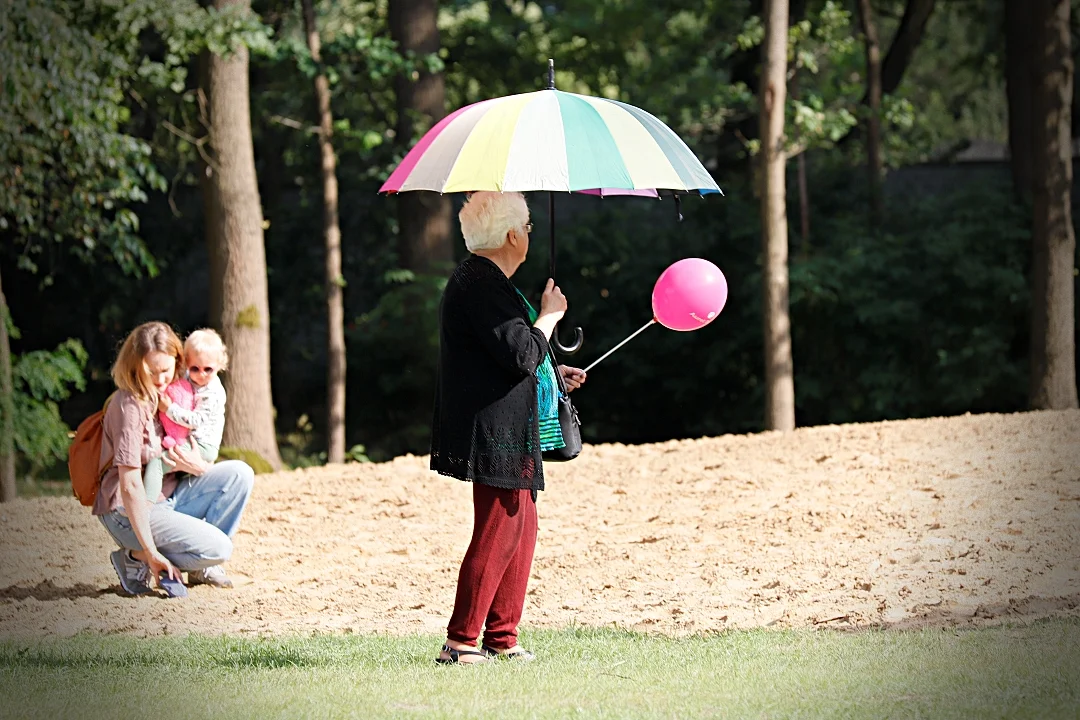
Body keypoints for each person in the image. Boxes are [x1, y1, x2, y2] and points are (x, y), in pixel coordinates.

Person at [430, 191, 587, 664]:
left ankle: (502, 637)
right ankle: (460, 642)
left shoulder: (485, 279)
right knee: (499, 529)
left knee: (522, 527)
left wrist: (551, 374)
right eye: (528, 228)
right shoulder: (479, 283)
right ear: (513, 235)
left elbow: (506, 357)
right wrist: (551, 316)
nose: (530, 237)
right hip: (495, 428)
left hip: (509, 423)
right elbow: (520, 351)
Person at [93, 321, 254, 596]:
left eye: (166, 370)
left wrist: (197, 466)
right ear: (134, 366)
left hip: (169, 495)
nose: (159, 379)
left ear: (178, 362)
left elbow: (189, 442)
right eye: (151, 372)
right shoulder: (130, 406)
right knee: (220, 548)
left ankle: (202, 566)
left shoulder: (177, 391)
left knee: (240, 473)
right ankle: (135, 558)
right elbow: (131, 485)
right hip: (130, 510)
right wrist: (150, 551)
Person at [144, 328, 229, 501]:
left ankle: (142, 504)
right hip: (189, 439)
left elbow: (196, 420)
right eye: (195, 368)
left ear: (220, 365)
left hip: (203, 445)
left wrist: (169, 409)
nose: (201, 374)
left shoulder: (212, 392)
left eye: (208, 369)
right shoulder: (189, 377)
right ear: (187, 364)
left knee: (157, 463)